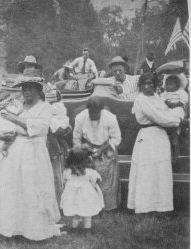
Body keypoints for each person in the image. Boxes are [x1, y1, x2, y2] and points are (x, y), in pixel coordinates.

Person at [0, 68, 62, 241]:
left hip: (33, 153)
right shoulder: (18, 106)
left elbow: (39, 128)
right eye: (24, 87)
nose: (26, 91)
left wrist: (15, 120)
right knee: (11, 188)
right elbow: (9, 128)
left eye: (30, 87)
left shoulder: (45, 108)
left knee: (32, 189)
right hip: (13, 152)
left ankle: (35, 230)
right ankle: (12, 227)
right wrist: (13, 129)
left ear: (38, 90)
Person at [128, 73, 186, 213]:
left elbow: (167, 113)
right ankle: (144, 206)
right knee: (146, 171)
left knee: (161, 171)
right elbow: (158, 117)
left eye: (151, 83)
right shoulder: (141, 99)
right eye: (145, 84)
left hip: (161, 137)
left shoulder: (157, 98)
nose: (148, 86)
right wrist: (178, 121)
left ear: (155, 84)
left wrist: (178, 115)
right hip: (148, 137)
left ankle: (161, 206)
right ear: (140, 86)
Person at [73, 96, 122, 211]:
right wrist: (84, 148)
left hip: (106, 148)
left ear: (101, 110)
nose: (93, 114)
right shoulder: (80, 118)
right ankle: (90, 207)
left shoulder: (110, 118)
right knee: (87, 177)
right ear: (87, 109)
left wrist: (102, 149)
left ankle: (108, 207)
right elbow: (76, 139)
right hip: (88, 148)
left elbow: (116, 138)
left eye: (96, 112)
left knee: (108, 178)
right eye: (91, 111)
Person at [60, 148, 104, 230]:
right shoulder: (89, 171)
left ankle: (74, 228)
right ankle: (87, 229)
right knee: (87, 214)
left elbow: (63, 181)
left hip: (72, 196)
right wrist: (96, 181)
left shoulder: (67, 171)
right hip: (86, 196)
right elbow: (98, 178)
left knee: (76, 213)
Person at [45, 88, 71, 203]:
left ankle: (58, 200)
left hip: (54, 134)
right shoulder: (59, 106)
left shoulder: (53, 107)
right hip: (45, 141)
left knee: (56, 174)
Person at [161, 75, 189, 164]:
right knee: (165, 114)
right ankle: (172, 131)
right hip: (167, 109)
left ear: (177, 85)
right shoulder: (165, 93)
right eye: (167, 84)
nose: (168, 86)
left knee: (177, 112)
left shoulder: (181, 92)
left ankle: (175, 130)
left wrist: (176, 104)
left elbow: (184, 101)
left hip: (177, 108)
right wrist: (166, 102)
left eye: (170, 84)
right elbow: (161, 100)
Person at [0, 92, 24, 157]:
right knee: (10, 138)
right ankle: (4, 149)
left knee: (4, 139)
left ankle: (2, 149)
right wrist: (20, 108)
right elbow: (17, 112)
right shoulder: (8, 106)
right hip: (6, 126)